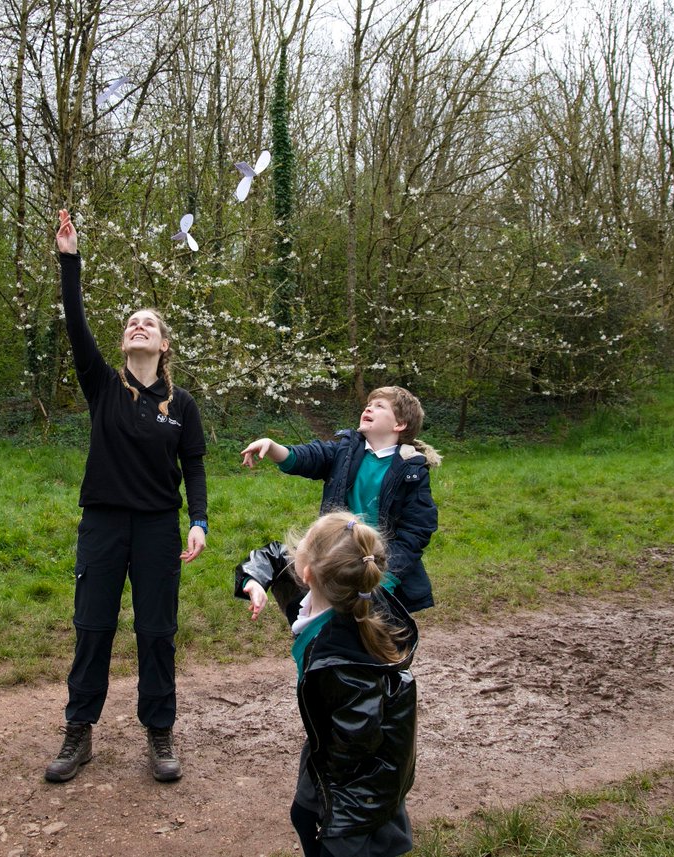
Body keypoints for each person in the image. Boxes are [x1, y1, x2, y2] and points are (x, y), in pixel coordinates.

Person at [46, 209, 209, 784]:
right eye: (131, 322)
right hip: (104, 525)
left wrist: (200, 521)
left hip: (160, 528)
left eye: (149, 323)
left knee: (156, 633)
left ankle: (159, 731)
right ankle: (78, 733)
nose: (137, 326)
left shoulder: (182, 403)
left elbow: (193, 463)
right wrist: (71, 260)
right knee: (92, 628)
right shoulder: (103, 385)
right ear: (124, 341)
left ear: (164, 344)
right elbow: (75, 325)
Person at [240, 511, 418, 857]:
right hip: (333, 739)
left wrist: (339, 819)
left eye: (301, 547)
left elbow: (357, 748)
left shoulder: (345, 665)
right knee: (302, 814)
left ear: (307, 574)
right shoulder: (338, 600)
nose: (291, 553)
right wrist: (255, 581)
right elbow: (273, 554)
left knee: (341, 846)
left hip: (362, 780)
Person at [240, 386, 439, 614]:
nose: (369, 407)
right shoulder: (345, 451)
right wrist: (274, 448)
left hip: (380, 575)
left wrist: (385, 576)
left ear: (399, 425)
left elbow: (416, 530)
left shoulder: (411, 471)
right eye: (369, 404)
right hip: (336, 561)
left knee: (376, 642)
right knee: (330, 631)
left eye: (379, 406)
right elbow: (310, 457)